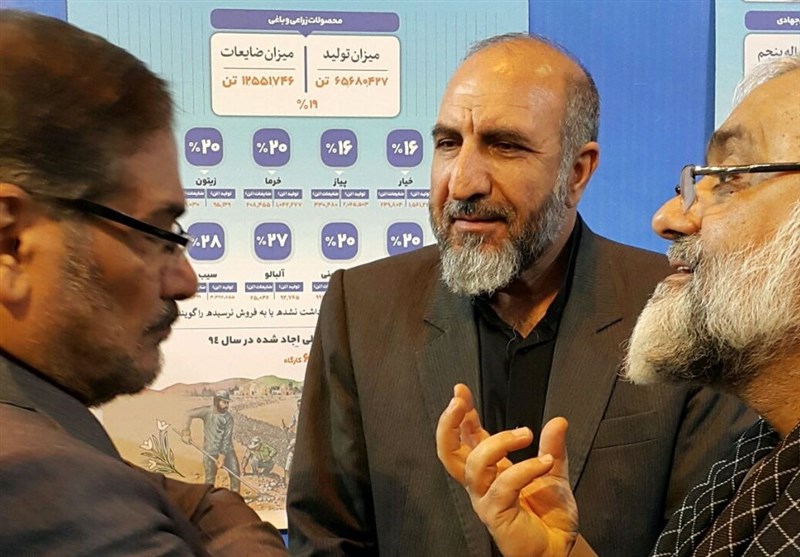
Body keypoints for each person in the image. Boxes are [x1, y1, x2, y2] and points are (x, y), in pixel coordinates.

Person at [287, 33, 753, 557]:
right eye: (448, 144)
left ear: (577, 172)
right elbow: (325, 538)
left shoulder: (684, 309)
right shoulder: (362, 305)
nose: (462, 182)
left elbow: (711, 543)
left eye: (504, 146)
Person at [436, 56, 800, 557]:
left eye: (729, 178)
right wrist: (557, 553)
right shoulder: (758, 452)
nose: (668, 218)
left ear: (577, 171)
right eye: (447, 143)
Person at [0, 11, 287, 556]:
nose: (185, 281)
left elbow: (179, 498)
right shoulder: (42, 486)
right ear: (11, 243)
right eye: (156, 233)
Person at [182, 389, 242, 492]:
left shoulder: (228, 418)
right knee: (209, 479)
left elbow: (226, 439)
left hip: (227, 451)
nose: (227, 405)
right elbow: (188, 414)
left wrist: (222, 457)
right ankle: (208, 498)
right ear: (217, 401)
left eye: (228, 402)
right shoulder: (206, 411)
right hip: (209, 451)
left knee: (235, 474)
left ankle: (235, 496)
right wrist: (186, 432)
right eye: (224, 402)